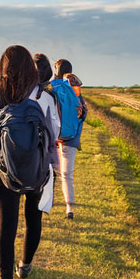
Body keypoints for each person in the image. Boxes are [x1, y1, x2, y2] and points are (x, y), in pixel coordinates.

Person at [0, 46, 60, 279]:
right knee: (33, 218)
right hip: (37, 170)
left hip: (3, 172)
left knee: (5, 227)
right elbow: (54, 133)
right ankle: (25, 265)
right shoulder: (44, 97)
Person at [53, 58, 88, 219]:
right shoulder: (74, 88)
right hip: (71, 137)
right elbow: (83, 113)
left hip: (54, 135)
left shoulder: (52, 87)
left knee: (50, 168)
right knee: (67, 173)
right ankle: (69, 207)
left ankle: (48, 199)